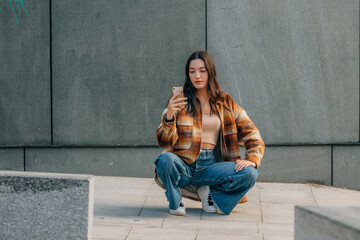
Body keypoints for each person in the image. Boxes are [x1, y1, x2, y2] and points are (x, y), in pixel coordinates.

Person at [154, 50, 265, 216]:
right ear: (188, 74)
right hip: (184, 166)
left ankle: (212, 194)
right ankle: (175, 201)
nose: (197, 76)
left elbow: (252, 134)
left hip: (212, 167)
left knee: (250, 173)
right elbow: (163, 140)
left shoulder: (225, 101)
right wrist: (169, 115)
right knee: (164, 160)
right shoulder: (180, 100)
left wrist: (252, 159)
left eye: (202, 70)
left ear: (210, 72)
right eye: (192, 72)